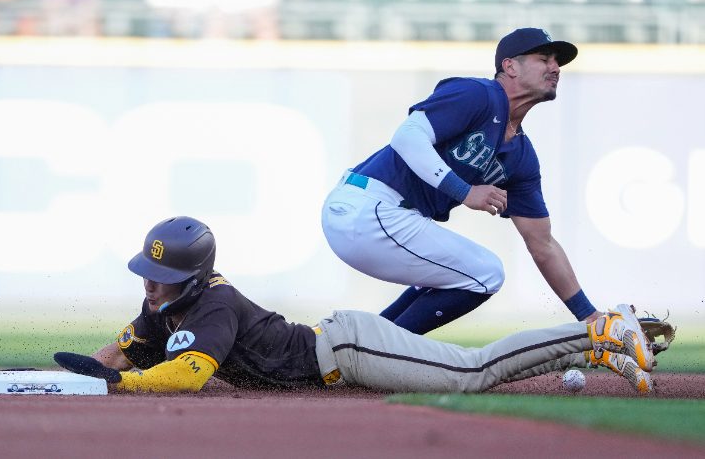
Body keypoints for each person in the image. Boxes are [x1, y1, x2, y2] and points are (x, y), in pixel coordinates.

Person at [54, 216, 655, 395]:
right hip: (340, 351)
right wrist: (90, 372)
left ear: (192, 276)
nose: (149, 286)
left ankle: (601, 329)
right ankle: (600, 349)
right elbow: (122, 351)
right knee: (475, 370)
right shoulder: (162, 311)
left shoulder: (214, 304)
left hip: (347, 350)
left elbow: (184, 378)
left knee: (473, 372)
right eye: (148, 274)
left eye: (161, 277)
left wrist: (116, 385)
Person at [321, 28, 600, 336]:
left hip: (385, 216)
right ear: (510, 67)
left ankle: (352, 343)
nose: (555, 68)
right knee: (486, 273)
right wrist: (463, 190)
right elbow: (406, 136)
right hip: (370, 206)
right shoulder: (478, 95)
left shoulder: (521, 157)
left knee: (458, 272)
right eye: (543, 58)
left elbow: (542, 244)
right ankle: (375, 353)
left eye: (557, 62)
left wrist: (589, 317)